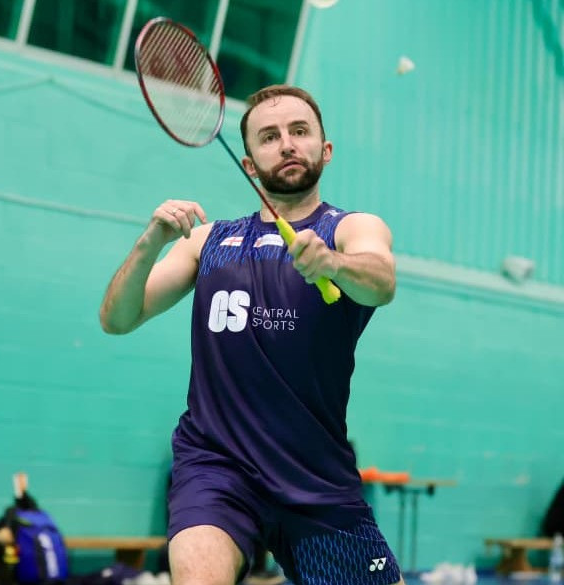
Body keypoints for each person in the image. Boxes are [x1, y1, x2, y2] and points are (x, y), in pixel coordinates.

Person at [98, 85, 400, 585]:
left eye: (299, 132)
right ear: (248, 165)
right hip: (216, 468)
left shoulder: (350, 229)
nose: (286, 144)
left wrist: (333, 263)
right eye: (269, 136)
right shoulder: (208, 240)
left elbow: (380, 282)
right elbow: (118, 319)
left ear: (324, 150)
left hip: (314, 477)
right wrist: (148, 243)